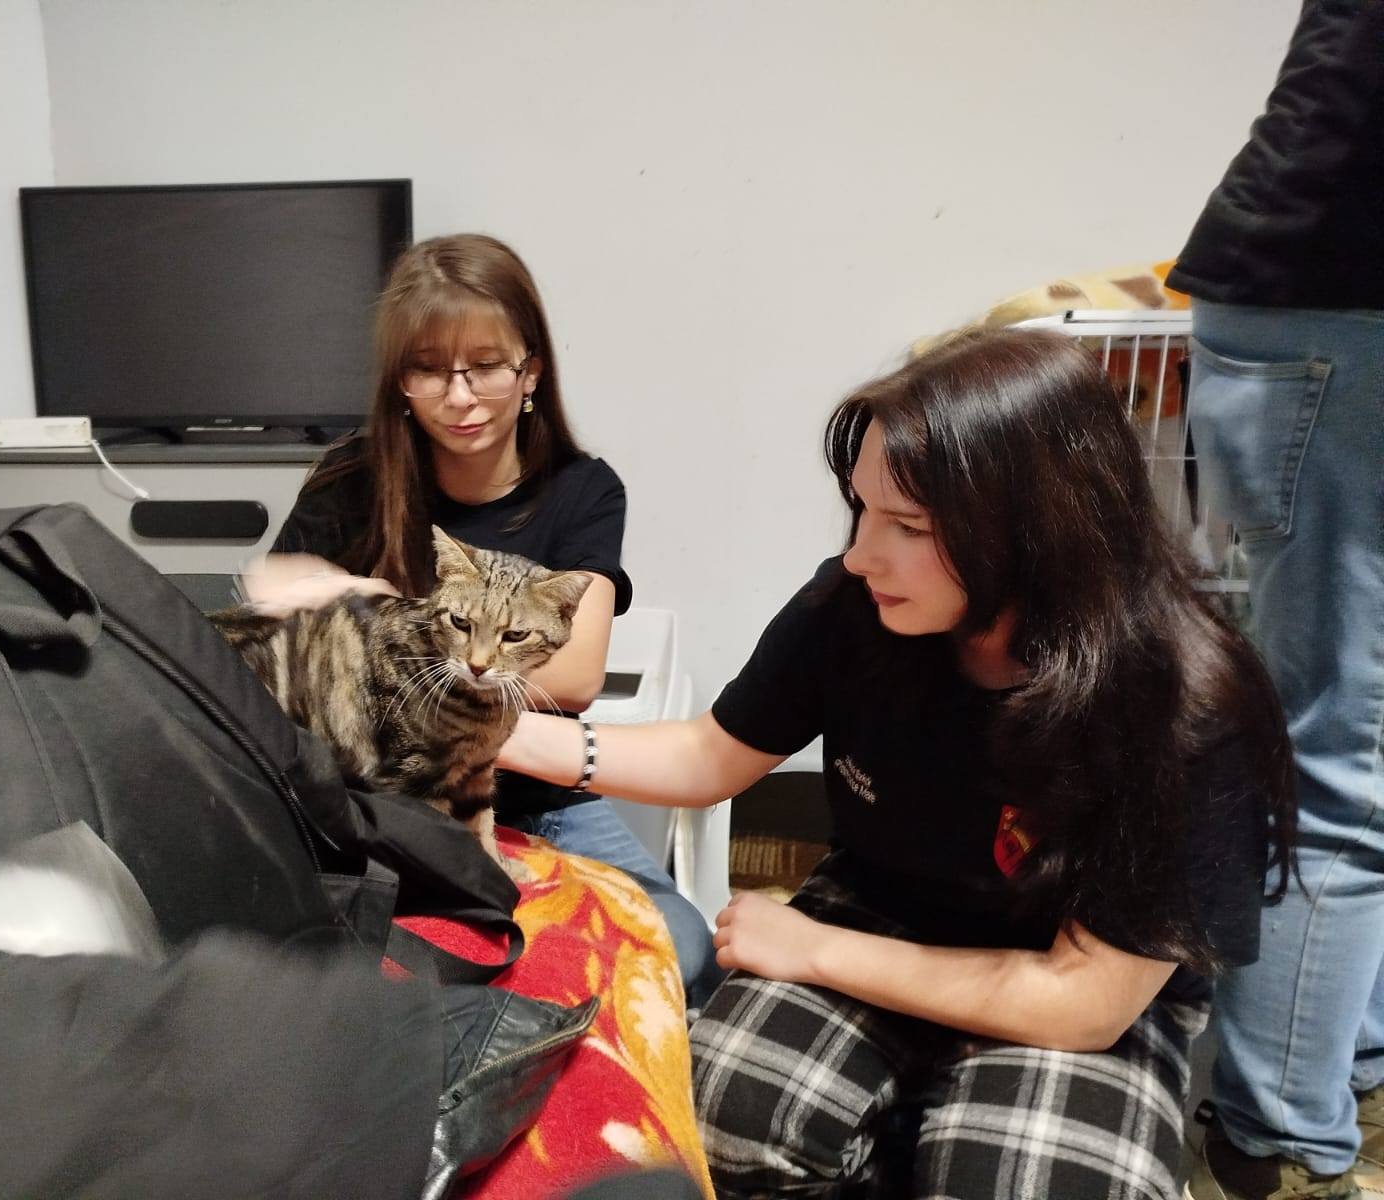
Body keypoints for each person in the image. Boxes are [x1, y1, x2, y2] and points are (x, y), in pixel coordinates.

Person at [497, 328, 1297, 1199]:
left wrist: (815, 949)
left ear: (1038, 531)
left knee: (1029, 1182)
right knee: (725, 1111)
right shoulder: (855, 608)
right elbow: (710, 753)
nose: (859, 554)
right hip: (885, 904)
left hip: (1068, 971)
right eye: (862, 510)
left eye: (908, 526)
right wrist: (503, 732)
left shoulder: (1183, 704)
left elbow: (1085, 1002)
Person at [247, 232, 724, 1007]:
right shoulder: (350, 477)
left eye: (486, 366)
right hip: (374, 792)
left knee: (684, 945)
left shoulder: (582, 491)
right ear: (400, 381)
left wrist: (376, 621)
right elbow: (269, 605)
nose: (460, 396)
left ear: (530, 370)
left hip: (535, 795)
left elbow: (575, 676)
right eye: (429, 369)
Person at [1166, 2, 1384, 1197]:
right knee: (1340, 749)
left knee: (1343, 738)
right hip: (1338, 305)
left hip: (1308, 292)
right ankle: (1275, 1145)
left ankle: (1330, 1069)